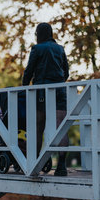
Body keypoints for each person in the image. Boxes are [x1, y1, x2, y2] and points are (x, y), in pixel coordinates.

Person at [22, 22, 69, 176]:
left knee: (38, 127)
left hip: (41, 91)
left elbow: (29, 70)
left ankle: (35, 163)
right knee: (61, 127)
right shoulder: (60, 48)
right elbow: (66, 72)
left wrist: (24, 85)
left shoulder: (37, 49)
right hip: (60, 90)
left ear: (39, 34)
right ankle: (62, 165)